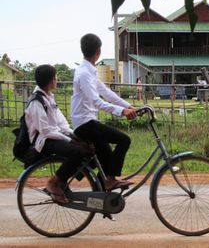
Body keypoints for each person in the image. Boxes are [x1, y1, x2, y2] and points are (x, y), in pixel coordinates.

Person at [71, 33, 137, 191]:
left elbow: (107, 93)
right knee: (124, 140)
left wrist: (129, 106)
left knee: (105, 151)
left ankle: (104, 188)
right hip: (85, 124)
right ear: (98, 52)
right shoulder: (84, 74)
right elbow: (97, 101)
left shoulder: (88, 71)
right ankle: (110, 180)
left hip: (87, 121)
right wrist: (122, 111)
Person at [25, 64, 92, 203]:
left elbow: (61, 123)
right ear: (50, 81)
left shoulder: (48, 97)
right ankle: (53, 183)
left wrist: (74, 135)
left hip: (55, 136)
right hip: (44, 141)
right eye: (55, 77)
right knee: (77, 152)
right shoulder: (36, 102)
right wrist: (69, 140)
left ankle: (63, 181)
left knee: (90, 147)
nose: (57, 80)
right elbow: (46, 130)